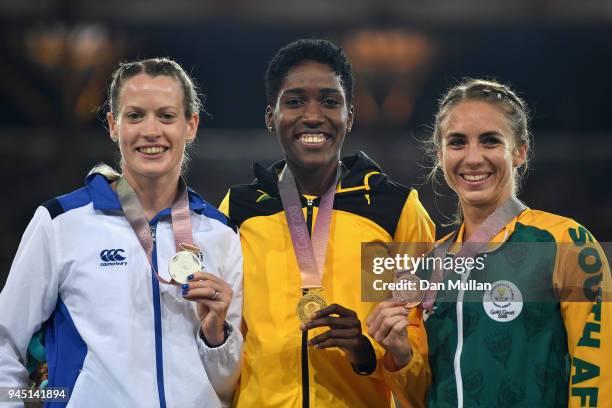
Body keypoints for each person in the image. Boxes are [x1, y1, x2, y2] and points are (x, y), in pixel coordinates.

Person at [0, 58, 243, 407]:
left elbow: (227, 386)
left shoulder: (221, 234)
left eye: (166, 115)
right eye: (135, 116)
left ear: (191, 125)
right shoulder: (60, 223)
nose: (150, 130)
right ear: (114, 126)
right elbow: (5, 342)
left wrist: (216, 335)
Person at [367, 78, 611, 407]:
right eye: (457, 143)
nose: (473, 158)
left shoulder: (566, 243)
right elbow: (418, 397)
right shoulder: (428, 266)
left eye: (490, 141)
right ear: (440, 154)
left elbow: (596, 374)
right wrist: (399, 353)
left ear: (520, 151)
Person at [218, 39, 435, 408]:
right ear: (271, 116)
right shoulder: (240, 210)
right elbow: (225, 350)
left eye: (330, 101)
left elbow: (422, 382)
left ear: (350, 116)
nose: (313, 115)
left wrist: (368, 354)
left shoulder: (393, 211)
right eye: (295, 101)